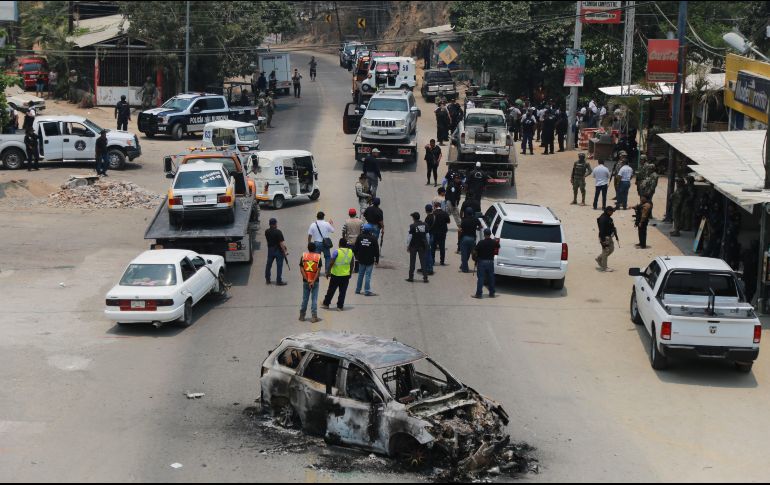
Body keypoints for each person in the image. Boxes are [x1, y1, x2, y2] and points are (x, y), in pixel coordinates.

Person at [322, 238, 355, 311]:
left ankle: (326, 304)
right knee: (342, 292)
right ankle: (340, 306)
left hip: (336, 275)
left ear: (339, 244)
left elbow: (331, 263)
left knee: (331, 290)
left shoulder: (336, 252)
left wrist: (328, 272)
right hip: (346, 275)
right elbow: (352, 264)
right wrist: (350, 273)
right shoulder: (350, 252)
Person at [299, 242, 322, 323]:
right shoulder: (318, 257)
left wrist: (307, 280)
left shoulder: (303, 256)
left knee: (305, 299)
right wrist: (313, 281)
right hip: (315, 282)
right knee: (314, 299)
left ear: (308, 248)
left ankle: (302, 316)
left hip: (306, 282)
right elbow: (318, 272)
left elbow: (302, 270)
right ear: (315, 248)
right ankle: (314, 317)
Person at [354, 224, 380, 296]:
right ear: (371, 230)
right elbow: (376, 250)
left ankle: (358, 290)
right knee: (368, 275)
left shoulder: (360, 237)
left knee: (360, 275)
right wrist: (377, 260)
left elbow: (355, 248)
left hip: (361, 259)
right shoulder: (373, 238)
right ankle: (367, 291)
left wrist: (356, 256)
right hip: (369, 260)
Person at [472, 228, 497, 298]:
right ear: (490, 234)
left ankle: (479, 294)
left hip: (482, 262)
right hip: (490, 262)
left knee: (481, 278)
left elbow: (475, 251)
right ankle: (492, 293)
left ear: (484, 234)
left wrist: (475, 259)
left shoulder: (481, 242)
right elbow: (498, 246)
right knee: (491, 278)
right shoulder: (493, 242)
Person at [406, 212, 429, 283]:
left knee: (412, 262)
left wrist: (407, 246)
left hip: (413, 246)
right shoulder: (425, 225)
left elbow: (410, 237)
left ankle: (411, 277)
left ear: (414, 218)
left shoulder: (412, 226)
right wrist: (427, 244)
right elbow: (427, 236)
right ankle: (425, 278)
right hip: (422, 246)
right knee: (423, 262)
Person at [264, 218, 288, 285]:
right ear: (275, 224)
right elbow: (281, 243)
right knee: (279, 266)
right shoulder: (278, 232)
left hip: (270, 250)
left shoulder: (266, 231)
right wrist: (284, 252)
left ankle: (267, 279)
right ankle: (278, 281)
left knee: (268, 265)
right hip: (278, 250)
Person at [595, 206, 617, 272]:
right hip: (604, 237)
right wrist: (603, 241)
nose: (612, 213)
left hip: (609, 236)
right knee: (605, 251)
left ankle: (599, 258)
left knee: (611, 249)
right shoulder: (603, 219)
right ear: (608, 211)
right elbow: (601, 231)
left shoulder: (608, 217)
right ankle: (604, 267)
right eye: (612, 211)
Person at [430, 200, 450, 266]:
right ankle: (442, 261)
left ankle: (432, 261)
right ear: (440, 206)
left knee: (433, 247)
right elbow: (448, 222)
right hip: (442, 232)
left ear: (435, 207)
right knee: (442, 247)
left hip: (434, 232)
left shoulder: (433, 213)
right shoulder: (445, 213)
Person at [459, 207, 479, 273]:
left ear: (466, 213)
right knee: (468, 254)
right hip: (472, 239)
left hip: (465, 238)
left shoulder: (464, 220)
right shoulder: (475, 219)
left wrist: (459, 239)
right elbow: (480, 226)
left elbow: (460, 230)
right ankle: (463, 265)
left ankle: (465, 269)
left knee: (464, 254)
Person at [421, 204, 436, 275]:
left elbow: (425, 228)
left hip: (428, 236)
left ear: (426, 210)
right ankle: (425, 267)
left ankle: (429, 269)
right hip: (432, 235)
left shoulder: (428, 218)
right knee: (427, 253)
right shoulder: (434, 216)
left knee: (427, 253)